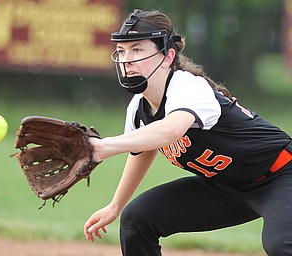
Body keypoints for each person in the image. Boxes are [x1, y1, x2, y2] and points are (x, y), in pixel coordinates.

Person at [84, 9, 292, 256]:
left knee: (281, 246)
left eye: (137, 49)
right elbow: (142, 149)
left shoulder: (189, 87)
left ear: (167, 56)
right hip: (225, 187)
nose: (126, 59)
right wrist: (115, 205)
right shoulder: (139, 106)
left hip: (280, 177)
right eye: (121, 51)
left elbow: (171, 130)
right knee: (137, 219)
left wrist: (104, 147)